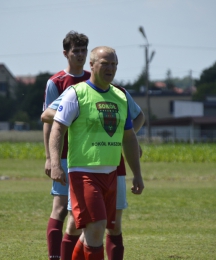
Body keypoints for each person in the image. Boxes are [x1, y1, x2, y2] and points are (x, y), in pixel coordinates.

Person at [48, 46, 144, 260]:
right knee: (97, 227)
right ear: (91, 66)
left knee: (93, 231)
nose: (111, 68)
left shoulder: (120, 96)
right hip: (83, 173)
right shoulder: (76, 93)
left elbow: (128, 137)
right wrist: (55, 163)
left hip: (111, 174)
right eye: (105, 63)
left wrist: (137, 173)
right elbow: (57, 128)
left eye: (114, 64)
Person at [42, 30, 90, 260]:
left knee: (82, 212)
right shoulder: (56, 82)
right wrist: (50, 158)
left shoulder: (93, 79)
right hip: (63, 155)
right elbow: (47, 121)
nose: (80, 54)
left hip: (88, 157)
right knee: (60, 209)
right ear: (66, 53)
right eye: (75, 50)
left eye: (83, 50)